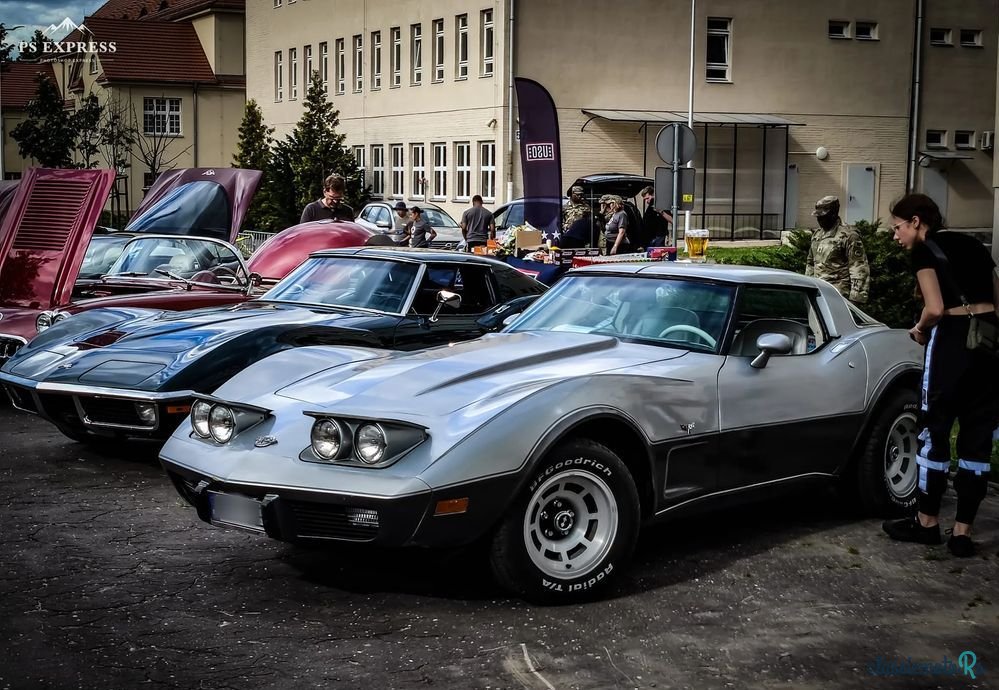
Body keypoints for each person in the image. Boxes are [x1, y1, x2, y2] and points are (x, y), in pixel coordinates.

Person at [881, 193, 999, 558]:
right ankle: (962, 533)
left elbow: (933, 309)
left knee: (934, 429)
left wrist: (919, 330)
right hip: (987, 343)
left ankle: (927, 522)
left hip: (951, 342)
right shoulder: (974, 245)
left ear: (916, 222)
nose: (895, 236)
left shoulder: (924, 251)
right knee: (977, 436)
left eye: (897, 227)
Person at [804, 195, 870, 304]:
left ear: (833, 214)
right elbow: (810, 263)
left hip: (839, 296)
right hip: (818, 294)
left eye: (823, 216)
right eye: (818, 216)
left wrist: (856, 299)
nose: (819, 219)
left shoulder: (849, 235)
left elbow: (859, 267)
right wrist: (807, 289)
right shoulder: (817, 235)